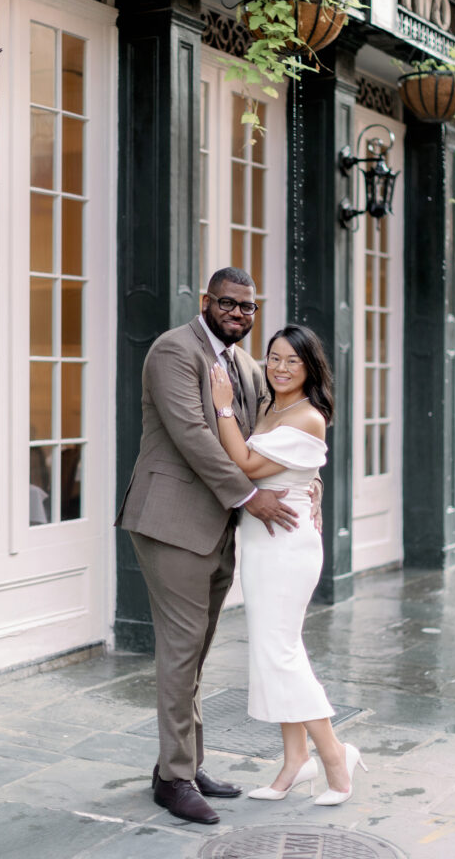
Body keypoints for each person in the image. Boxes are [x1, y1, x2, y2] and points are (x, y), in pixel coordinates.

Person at [116, 267, 305, 825]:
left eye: (247, 307)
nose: (238, 314)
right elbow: (194, 436)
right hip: (172, 523)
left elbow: (257, 436)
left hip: (218, 527)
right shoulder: (174, 351)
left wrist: (300, 477)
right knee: (180, 651)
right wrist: (251, 497)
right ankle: (173, 781)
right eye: (227, 303)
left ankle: (183, 764)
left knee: (195, 652)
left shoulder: (245, 365)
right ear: (206, 301)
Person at [210, 323, 367, 806]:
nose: (279, 368)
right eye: (273, 358)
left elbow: (246, 465)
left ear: (309, 367)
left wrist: (221, 407)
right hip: (261, 542)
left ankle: (335, 754)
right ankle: (295, 761)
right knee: (274, 649)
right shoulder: (271, 406)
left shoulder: (309, 416)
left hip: (287, 544)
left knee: (280, 652)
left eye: (291, 361)